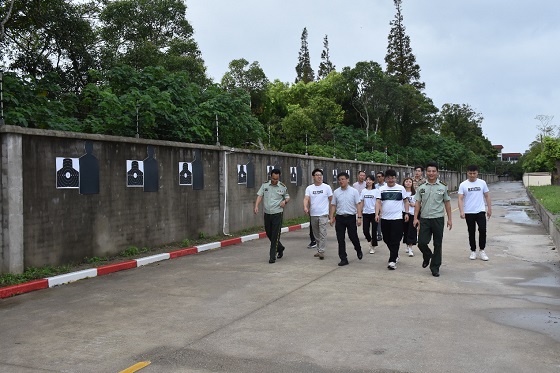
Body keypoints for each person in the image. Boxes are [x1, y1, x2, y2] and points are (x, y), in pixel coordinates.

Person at [413, 162, 452, 277]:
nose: (431, 173)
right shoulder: (421, 187)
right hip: (425, 219)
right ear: (426, 172)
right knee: (421, 243)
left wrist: (450, 219)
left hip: (438, 219)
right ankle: (427, 255)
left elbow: (447, 203)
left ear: (437, 172)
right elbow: (417, 203)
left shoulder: (443, 186)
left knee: (438, 244)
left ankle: (435, 267)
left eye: (433, 171)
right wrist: (415, 218)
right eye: (429, 171)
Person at [254, 168, 290, 263]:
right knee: (268, 233)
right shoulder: (265, 185)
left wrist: (284, 202)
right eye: (273, 179)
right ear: (271, 176)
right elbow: (260, 195)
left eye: (276, 179)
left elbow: (287, 197)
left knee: (275, 235)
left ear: (279, 177)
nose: (275, 181)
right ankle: (280, 247)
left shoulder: (282, 187)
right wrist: (256, 206)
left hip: (277, 213)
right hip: (267, 213)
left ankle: (272, 256)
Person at [375, 169, 409, 270]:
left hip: (397, 218)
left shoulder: (400, 188)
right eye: (389, 178)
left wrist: (406, 213)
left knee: (395, 239)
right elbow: (378, 202)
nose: (391, 180)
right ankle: (395, 254)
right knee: (386, 238)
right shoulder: (381, 189)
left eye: (393, 178)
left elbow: (406, 201)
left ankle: (392, 260)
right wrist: (377, 214)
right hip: (385, 218)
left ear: (395, 178)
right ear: (386, 178)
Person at [458, 165, 492, 261]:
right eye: (470, 173)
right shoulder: (463, 185)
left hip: (480, 210)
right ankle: (473, 251)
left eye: (474, 173)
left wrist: (489, 208)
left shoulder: (482, 183)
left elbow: (487, 196)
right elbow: (460, 198)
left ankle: (482, 250)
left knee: (482, 230)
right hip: (469, 211)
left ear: (477, 173)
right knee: (471, 231)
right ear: (467, 173)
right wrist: (461, 211)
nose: (472, 175)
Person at [329, 172, 363, 266]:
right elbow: (333, 205)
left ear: (347, 180)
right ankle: (343, 258)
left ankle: (358, 249)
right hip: (340, 218)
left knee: (353, 237)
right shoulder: (336, 192)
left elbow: (358, 204)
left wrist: (359, 217)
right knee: (340, 239)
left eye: (343, 179)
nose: (341, 181)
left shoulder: (354, 191)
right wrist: (331, 217)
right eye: (339, 180)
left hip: (351, 217)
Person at [304, 169, 333, 260]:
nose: (319, 176)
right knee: (316, 234)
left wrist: (331, 214)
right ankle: (319, 249)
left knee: (323, 233)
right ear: (313, 177)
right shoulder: (309, 188)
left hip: (323, 214)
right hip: (313, 214)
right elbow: (306, 198)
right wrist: (305, 207)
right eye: (317, 175)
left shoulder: (327, 187)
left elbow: (331, 200)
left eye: (320, 175)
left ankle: (321, 251)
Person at [360, 175, 380, 254]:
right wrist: (360, 212)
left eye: (370, 180)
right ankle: (370, 240)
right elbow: (361, 202)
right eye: (367, 180)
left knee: (374, 231)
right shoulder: (363, 191)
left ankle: (373, 246)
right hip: (365, 213)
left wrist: (377, 214)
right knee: (365, 230)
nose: (368, 181)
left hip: (373, 213)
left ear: (373, 181)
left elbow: (378, 202)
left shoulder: (376, 191)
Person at [402, 177, 417, 257]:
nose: (408, 183)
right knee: (405, 231)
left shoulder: (415, 193)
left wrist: (414, 205)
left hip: (412, 214)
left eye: (410, 182)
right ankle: (407, 245)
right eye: (406, 181)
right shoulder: (401, 192)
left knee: (411, 230)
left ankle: (410, 248)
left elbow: (419, 203)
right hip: (403, 213)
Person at [374, 171, 386, 241]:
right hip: (378, 204)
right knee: (378, 220)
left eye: (379, 177)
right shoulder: (375, 186)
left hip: (384, 205)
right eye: (377, 177)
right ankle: (379, 234)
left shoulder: (386, 186)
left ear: (383, 177)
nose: (378, 178)